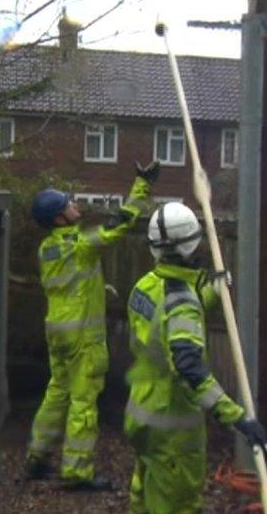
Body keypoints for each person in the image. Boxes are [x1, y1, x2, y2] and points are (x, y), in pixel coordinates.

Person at [124, 201, 267, 513]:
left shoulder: (145, 287)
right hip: (172, 429)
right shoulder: (183, 303)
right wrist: (240, 419)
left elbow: (167, 325)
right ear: (190, 245)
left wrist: (212, 292)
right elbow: (190, 369)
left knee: (145, 498)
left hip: (142, 415)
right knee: (177, 505)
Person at [25, 160, 160, 490]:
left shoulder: (48, 248)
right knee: (83, 403)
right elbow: (121, 225)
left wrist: (100, 289)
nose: (74, 205)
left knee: (56, 394)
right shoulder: (79, 245)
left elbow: (70, 284)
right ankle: (77, 471)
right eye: (67, 204)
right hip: (83, 336)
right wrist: (142, 185)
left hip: (57, 331)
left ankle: (37, 458)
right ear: (58, 217)